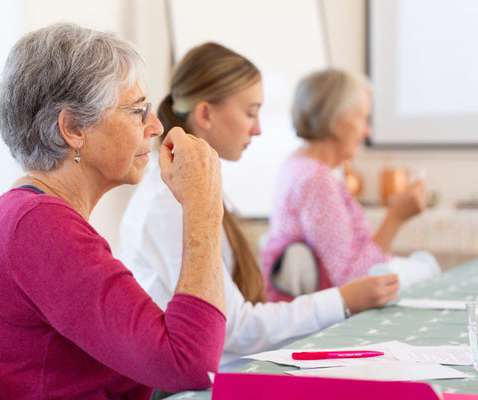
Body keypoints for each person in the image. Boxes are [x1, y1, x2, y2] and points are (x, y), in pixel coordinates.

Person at [0, 23, 228, 400]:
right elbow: (191, 363)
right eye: (136, 111)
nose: (156, 126)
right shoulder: (38, 227)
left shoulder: (14, 214)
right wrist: (203, 205)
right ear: (73, 128)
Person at [116, 43, 400, 371]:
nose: (259, 128)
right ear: (205, 114)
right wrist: (342, 300)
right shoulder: (169, 204)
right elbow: (235, 328)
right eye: (250, 112)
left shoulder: (187, 192)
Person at [262, 68, 438, 303]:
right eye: (362, 118)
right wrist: (396, 217)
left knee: (422, 263)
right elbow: (351, 281)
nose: (367, 131)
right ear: (336, 120)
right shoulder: (316, 179)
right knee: (427, 266)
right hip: (333, 308)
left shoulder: (296, 164)